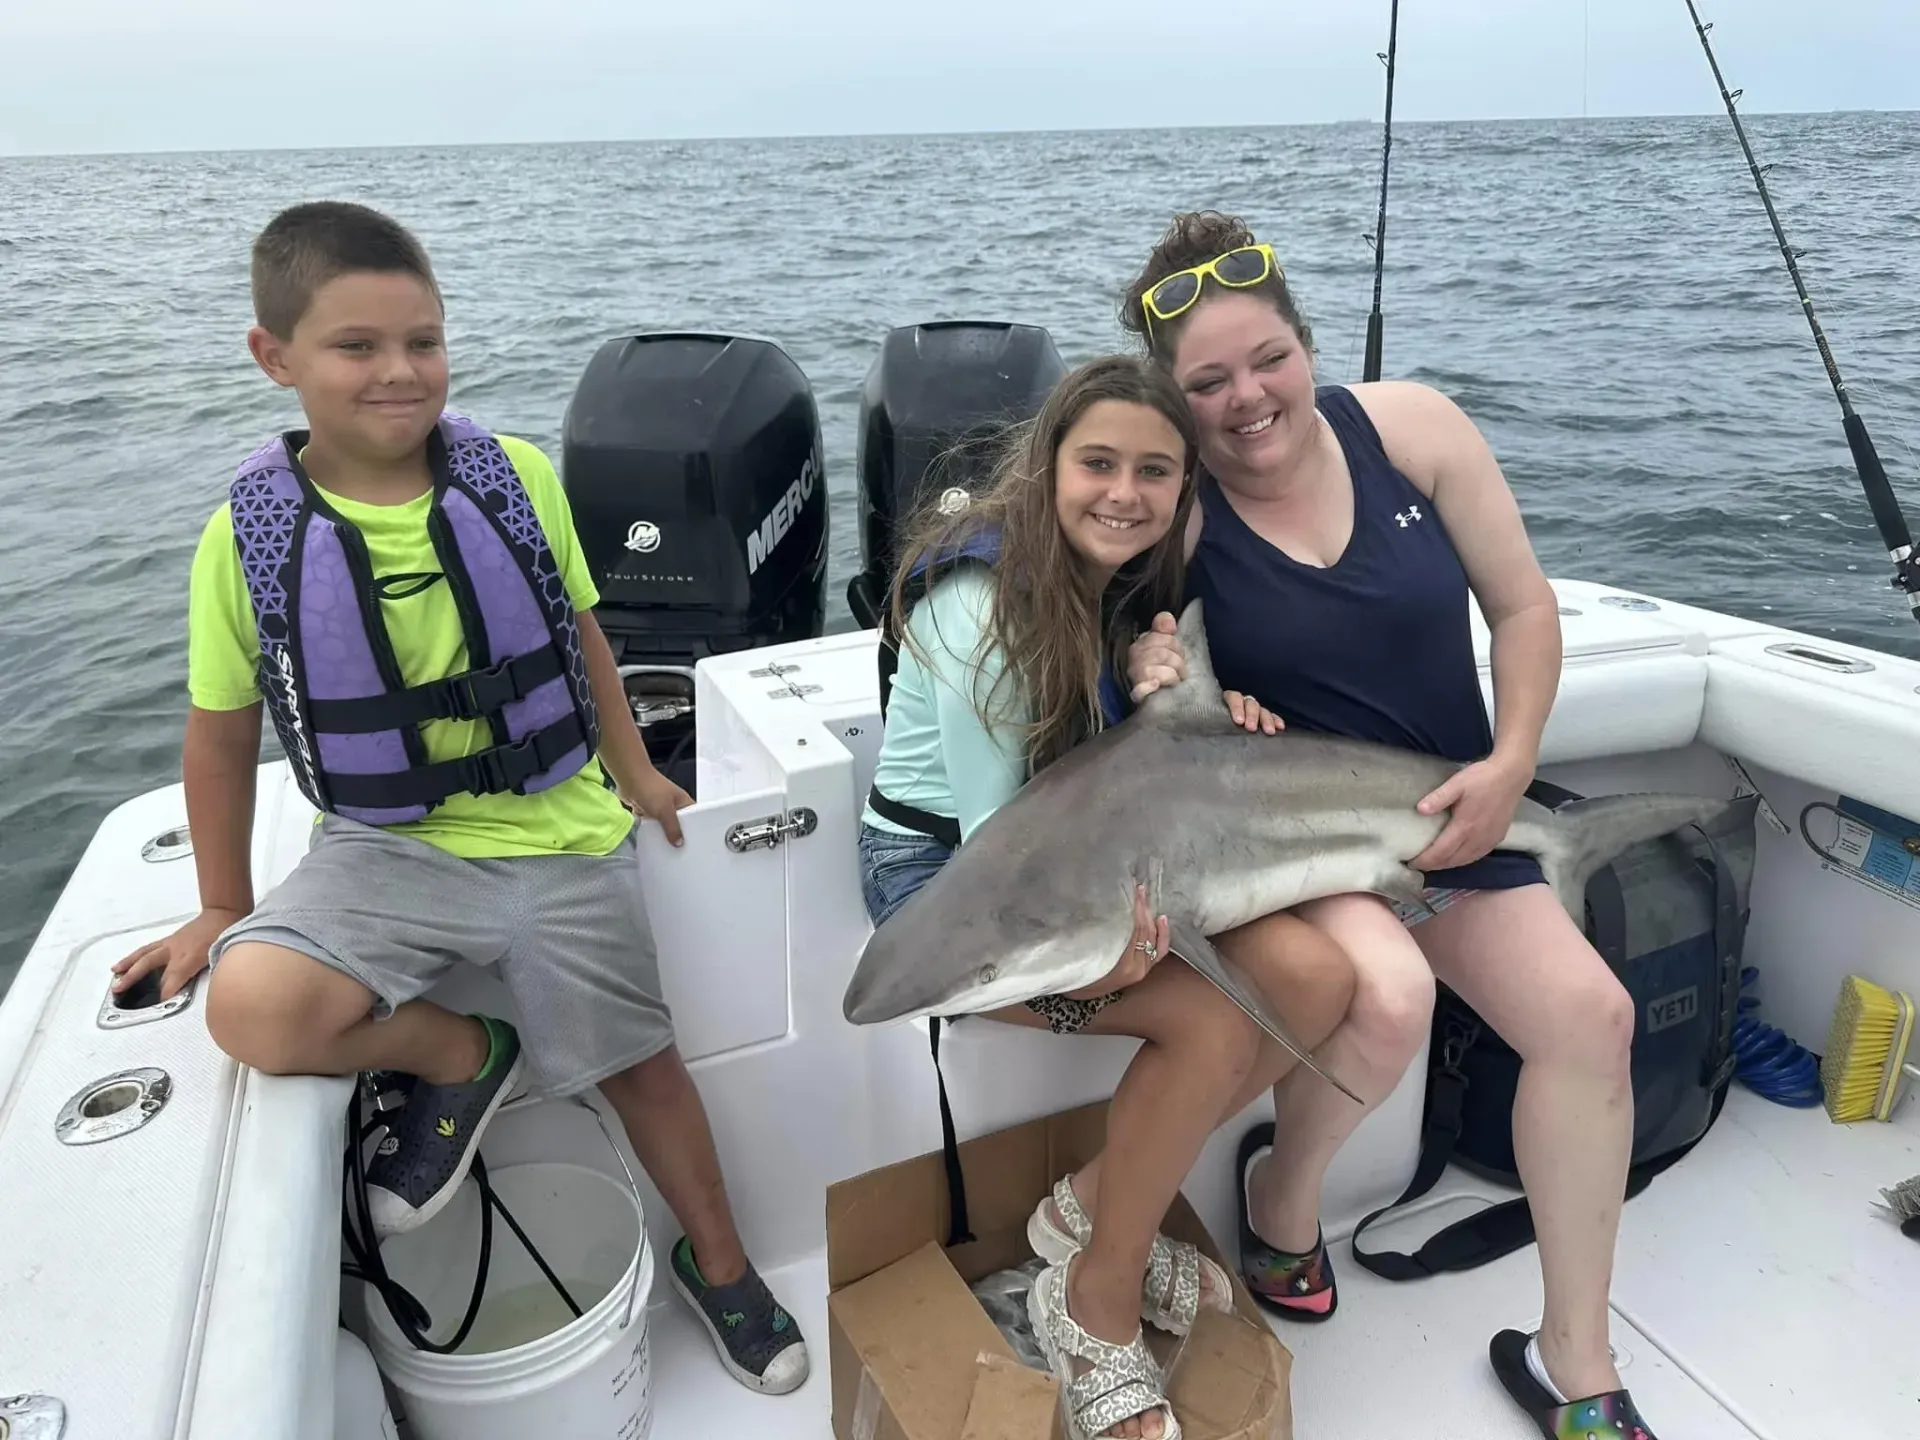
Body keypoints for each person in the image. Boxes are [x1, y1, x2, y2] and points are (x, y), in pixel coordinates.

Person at [112, 201, 807, 1397]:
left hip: (561, 837)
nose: (400, 371)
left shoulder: (515, 475)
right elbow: (221, 734)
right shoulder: (245, 537)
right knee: (254, 1007)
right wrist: (220, 904)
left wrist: (635, 769)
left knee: (645, 1068)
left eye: (422, 341)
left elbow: (582, 633)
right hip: (380, 850)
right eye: (357, 346)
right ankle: (460, 1052)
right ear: (275, 357)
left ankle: (724, 1264)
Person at [1117, 210, 1656, 1440]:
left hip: (1461, 814)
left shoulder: (1414, 429)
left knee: (1596, 1020)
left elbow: (1523, 609)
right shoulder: (1181, 513)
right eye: (1208, 383)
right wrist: (1163, 669)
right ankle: (1283, 1196)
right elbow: (1135, 666)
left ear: (1306, 344)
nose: (1248, 398)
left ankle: (1576, 1362)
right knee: (1389, 996)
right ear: (1174, 402)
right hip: (1306, 841)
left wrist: (1512, 764)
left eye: (1270, 359)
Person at [859, 354, 1357, 1440]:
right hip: (955, 894)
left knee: (1320, 982)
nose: (1124, 494)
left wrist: (1183, 696)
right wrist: (1109, 962)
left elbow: (1101, 777)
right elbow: (1004, 857)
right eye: (1098, 465)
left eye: (1154, 472)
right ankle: (1096, 1298)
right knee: (1214, 1025)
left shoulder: (1119, 577)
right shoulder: (980, 613)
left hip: (1082, 856)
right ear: (1048, 465)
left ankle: (1084, 1207)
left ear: (1184, 487)